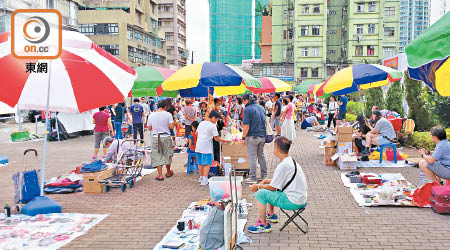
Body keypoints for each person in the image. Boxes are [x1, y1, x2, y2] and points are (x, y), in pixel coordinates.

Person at [247, 136, 307, 234]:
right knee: (269, 189)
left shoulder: (283, 165)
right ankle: (271, 214)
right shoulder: (290, 161)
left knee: (261, 193)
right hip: (300, 199)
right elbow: (277, 182)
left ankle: (263, 225)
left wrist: (257, 186)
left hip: (293, 201)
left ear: (277, 148)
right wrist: (266, 181)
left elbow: (273, 187)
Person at [195, 110, 229, 186]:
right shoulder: (212, 126)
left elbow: (196, 133)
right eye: (216, 119)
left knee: (200, 163)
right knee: (207, 163)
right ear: (213, 117)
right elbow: (216, 138)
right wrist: (225, 140)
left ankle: (201, 178)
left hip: (199, 145)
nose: (216, 121)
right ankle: (204, 179)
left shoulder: (201, 123)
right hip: (206, 146)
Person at [242, 94, 267, 184]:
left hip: (253, 136)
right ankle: (264, 175)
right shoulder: (261, 107)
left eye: (243, 101)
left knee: (252, 156)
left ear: (247, 100)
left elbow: (246, 126)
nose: (243, 103)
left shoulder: (248, 109)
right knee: (261, 155)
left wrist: (243, 137)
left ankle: (252, 177)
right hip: (262, 136)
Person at [147, 100, 175, 181]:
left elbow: (149, 128)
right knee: (167, 153)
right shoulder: (168, 114)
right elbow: (171, 127)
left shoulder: (151, 115)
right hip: (165, 136)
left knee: (157, 155)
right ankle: (168, 172)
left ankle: (160, 175)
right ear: (165, 107)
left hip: (156, 137)